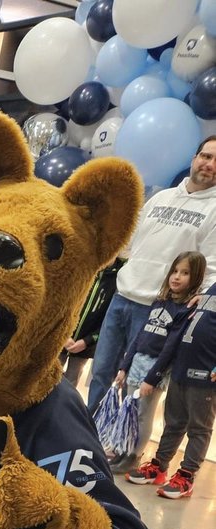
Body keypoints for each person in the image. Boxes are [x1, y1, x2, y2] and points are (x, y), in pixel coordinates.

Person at [86, 136, 216, 415]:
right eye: (206, 156)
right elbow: (129, 242)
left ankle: (122, 450)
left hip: (160, 309)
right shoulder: (160, 197)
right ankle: (87, 435)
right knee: (100, 373)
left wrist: (199, 299)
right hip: (123, 297)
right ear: (194, 159)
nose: (210, 164)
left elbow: (211, 264)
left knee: (138, 385)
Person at [106, 251, 204, 471]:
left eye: (185, 273)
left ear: (195, 277)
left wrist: (152, 378)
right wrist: (124, 366)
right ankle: (123, 450)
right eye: (175, 271)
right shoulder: (160, 302)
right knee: (129, 410)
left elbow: (170, 348)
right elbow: (140, 336)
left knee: (143, 414)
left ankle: (134, 456)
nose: (177, 277)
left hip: (155, 369)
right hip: (137, 362)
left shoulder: (186, 309)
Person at [126, 275, 216, 499]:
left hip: (206, 375)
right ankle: (159, 466)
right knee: (174, 422)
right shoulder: (211, 288)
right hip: (181, 367)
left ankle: (186, 476)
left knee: (199, 428)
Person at [61, 257, 121, 388]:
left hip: (85, 345)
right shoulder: (81, 267)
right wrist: (63, 334)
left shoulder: (119, 279)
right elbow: (60, 303)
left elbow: (110, 320)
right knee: (45, 378)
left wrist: (87, 341)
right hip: (60, 339)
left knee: (70, 384)